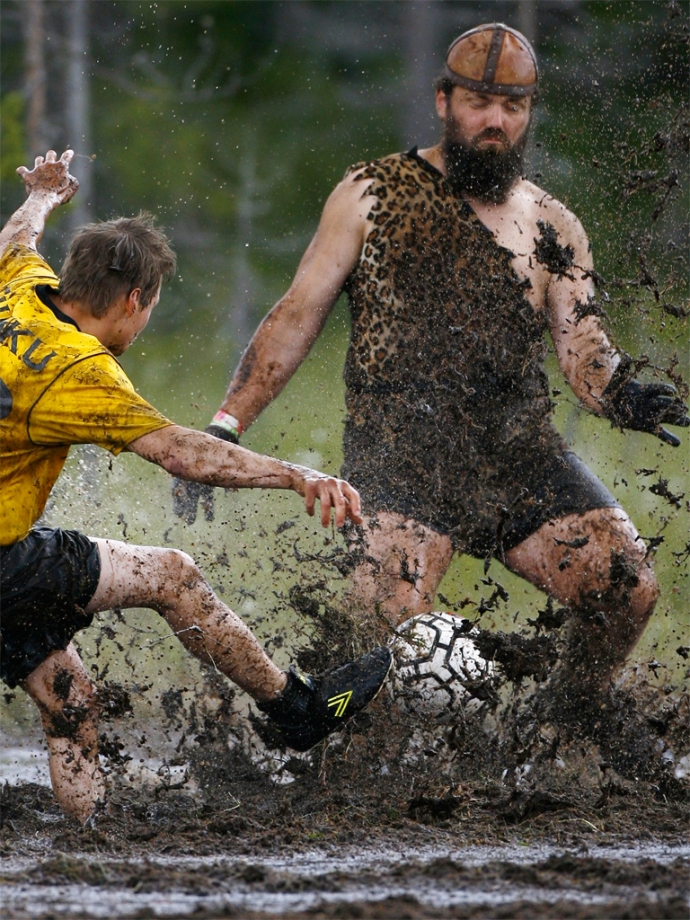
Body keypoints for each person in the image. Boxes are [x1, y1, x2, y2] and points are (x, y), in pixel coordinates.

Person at [174, 22, 688, 722]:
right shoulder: (370, 192)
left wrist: (623, 393)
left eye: (512, 107)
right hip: (400, 454)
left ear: (528, 113)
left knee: (628, 586)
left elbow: (583, 348)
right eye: (480, 104)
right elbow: (296, 317)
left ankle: (568, 721)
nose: (495, 122)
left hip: (518, 451)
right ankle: (346, 754)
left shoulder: (552, 225)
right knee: (382, 623)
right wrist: (226, 428)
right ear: (444, 101)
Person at [0, 149, 393, 825]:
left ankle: (87, 846)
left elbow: (14, 239)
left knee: (69, 696)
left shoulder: (15, 288)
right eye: (149, 310)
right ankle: (293, 712)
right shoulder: (80, 371)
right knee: (172, 576)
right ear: (134, 301)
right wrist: (294, 472)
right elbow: (181, 453)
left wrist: (40, 197)